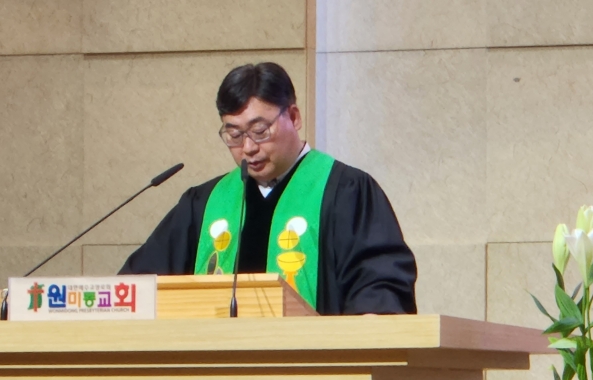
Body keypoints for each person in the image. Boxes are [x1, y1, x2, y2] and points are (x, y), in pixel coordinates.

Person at [119, 62, 417, 315]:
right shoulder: (205, 204)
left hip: (311, 364)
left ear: (294, 117)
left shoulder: (346, 191)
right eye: (234, 135)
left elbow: (380, 284)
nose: (248, 148)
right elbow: (139, 284)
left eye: (259, 131)